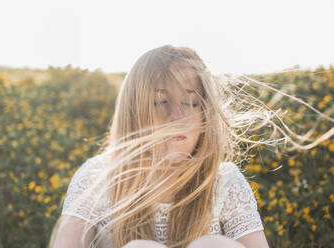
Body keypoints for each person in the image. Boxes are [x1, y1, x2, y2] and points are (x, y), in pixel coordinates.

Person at [50, 45, 277, 248]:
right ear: (133, 112)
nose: (177, 116)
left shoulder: (224, 181)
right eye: (159, 101)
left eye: (191, 102)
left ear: (205, 113)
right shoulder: (99, 176)